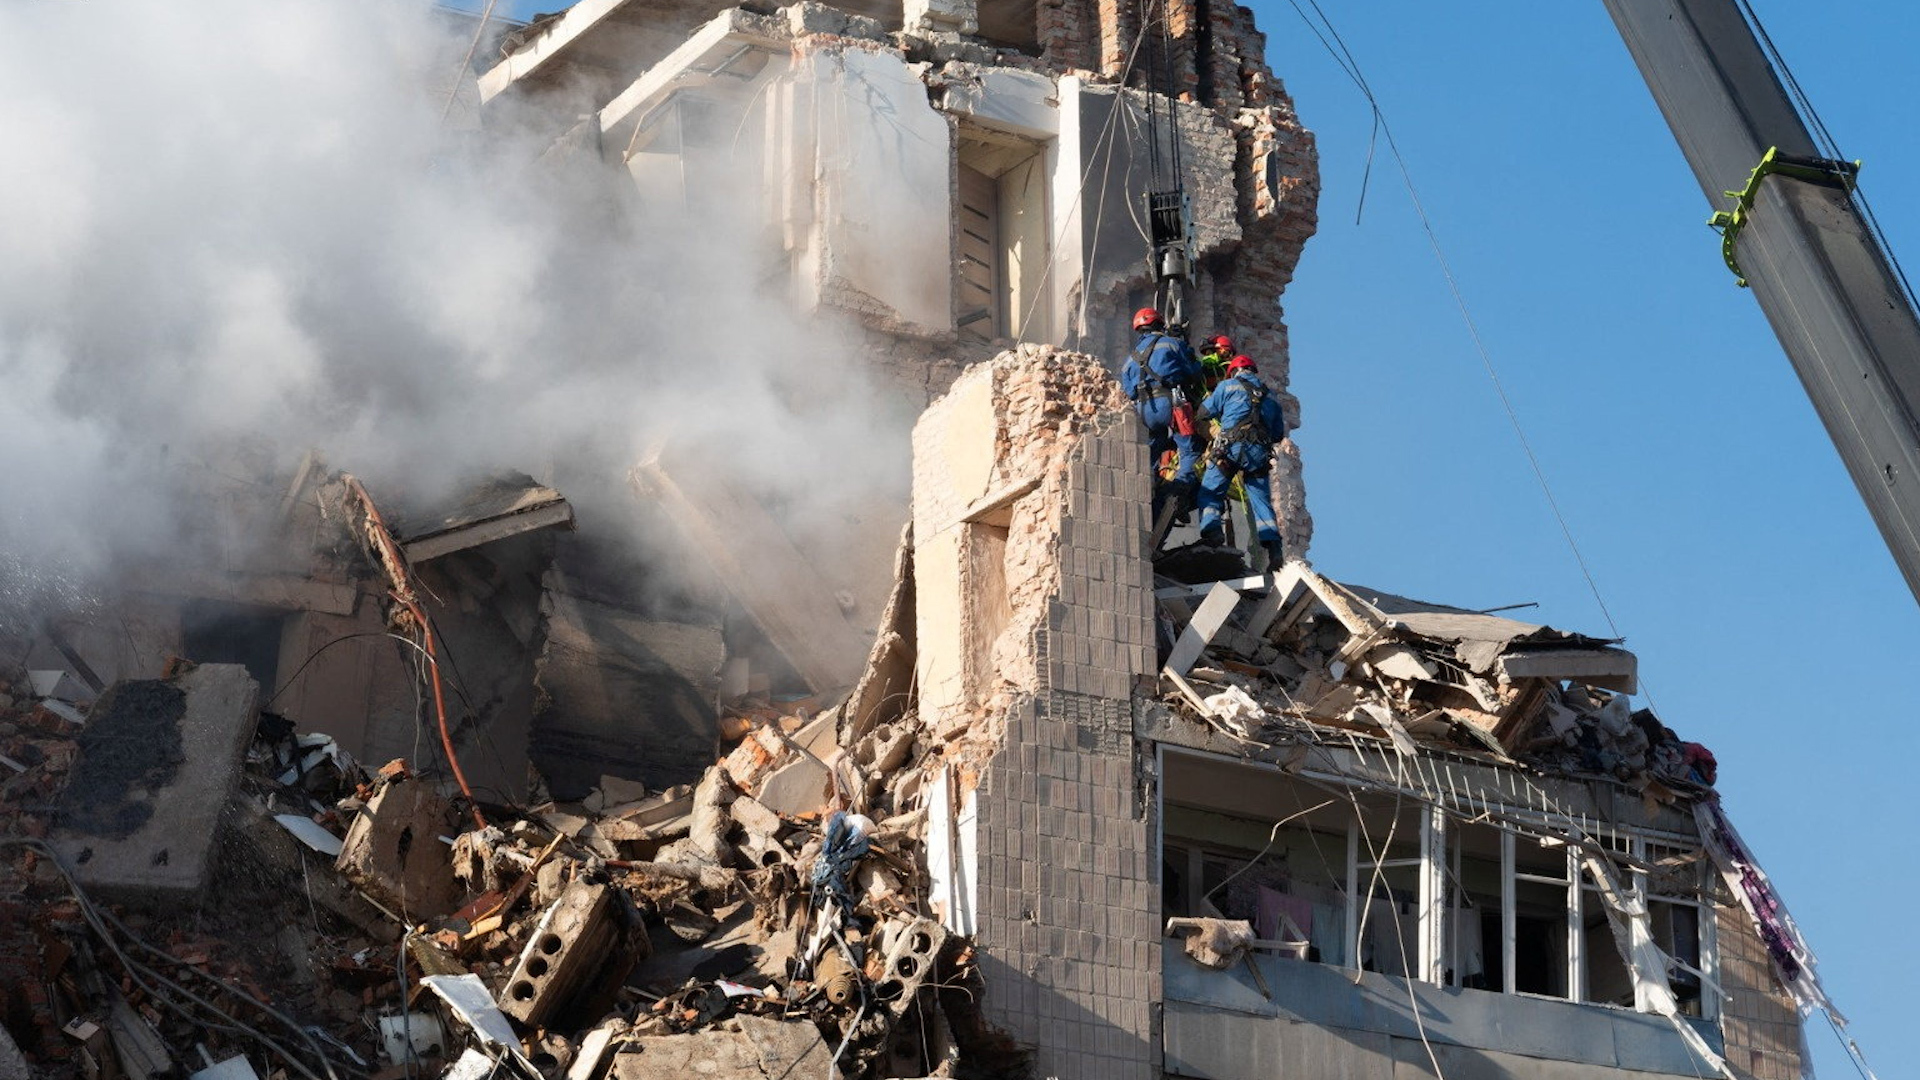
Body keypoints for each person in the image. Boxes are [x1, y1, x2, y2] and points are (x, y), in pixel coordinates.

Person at [1194, 355, 1288, 566]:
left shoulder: (1227, 386)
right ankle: (1274, 550)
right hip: (1258, 454)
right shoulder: (1271, 396)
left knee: (1211, 490)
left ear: (1233, 372)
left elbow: (1203, 413)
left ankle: (1212, 533)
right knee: (1261, 501)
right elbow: (1277, 434)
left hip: (1231, 449)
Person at [1118, 307, 1203, 515]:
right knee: (1189, 448)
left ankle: (1147, 486)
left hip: (1143, 410)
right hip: (1169, 402)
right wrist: (1185, 347)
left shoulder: (1130, 359)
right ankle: (1180, 489)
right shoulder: (1171, 344)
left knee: (1151, 449)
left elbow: (1128, 391)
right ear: (1159, 324)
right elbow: (1192, 371)